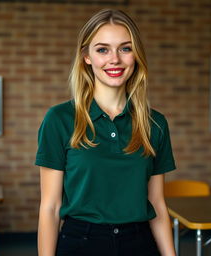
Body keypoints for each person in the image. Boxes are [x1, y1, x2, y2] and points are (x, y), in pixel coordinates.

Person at [36, 9, 176, 256]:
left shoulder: (155, 124)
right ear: (86, 57)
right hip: (81, 243)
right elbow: (50, 206)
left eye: (125, 48)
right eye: (102, 50)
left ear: (136, 55)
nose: (115, 60)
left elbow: (157, 203)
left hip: (140, 244)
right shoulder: (59, 119)